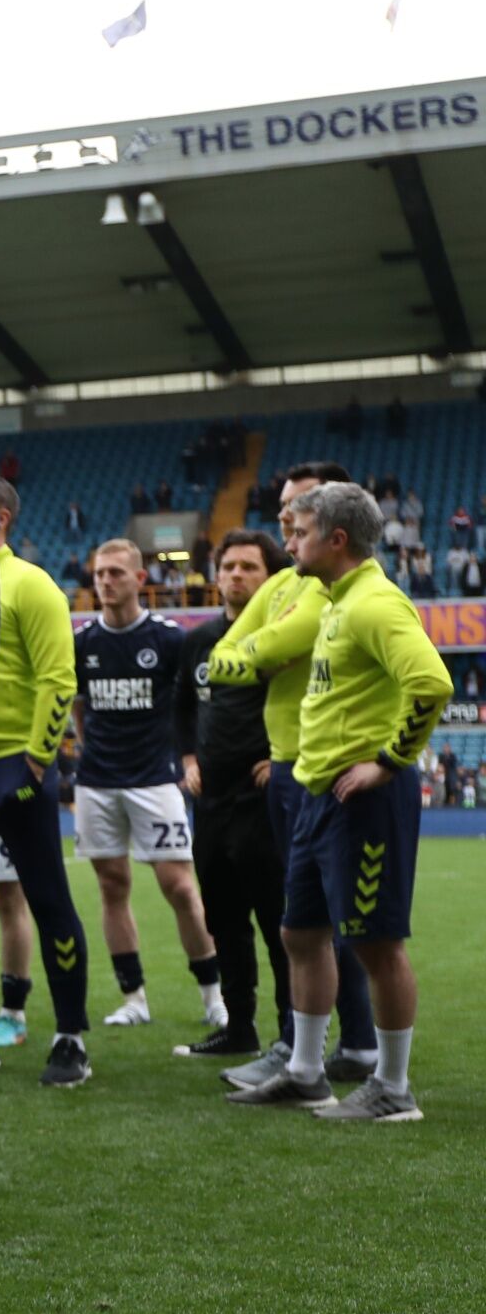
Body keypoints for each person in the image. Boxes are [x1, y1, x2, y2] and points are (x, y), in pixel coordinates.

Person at [230, 483, 448, 1119]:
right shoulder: (334, 603)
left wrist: (388, 762)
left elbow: (431, 682)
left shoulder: (375, 603)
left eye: (298, 533)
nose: (288, 543)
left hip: (363, 804)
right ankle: (305, 1071)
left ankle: (394, 1090)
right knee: (301, 932)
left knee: (377, 944)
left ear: (336, 539)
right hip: (317, 796)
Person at [207, 464, 381, 1091]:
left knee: (333, 919)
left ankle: (344, 1045)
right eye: (281, 505)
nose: (283, 517)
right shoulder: (285, 582)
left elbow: (266, 649)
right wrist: (256, 656)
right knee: (305, 917)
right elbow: (226, 654)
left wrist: (256, 655)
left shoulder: (329, 592)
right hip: (288, 761)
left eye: (296, 508)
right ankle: (321, 1046)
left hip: (323, 765)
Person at [0, 472, 94, 1082]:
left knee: (47, 900)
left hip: (16, 768)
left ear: (1, 517)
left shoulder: (31, 584)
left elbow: (58, 680)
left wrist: (36, 764)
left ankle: (70, 1038)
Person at [74, 540, 223, 1036]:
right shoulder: (83, 641)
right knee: (112, 886)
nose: (105, 581)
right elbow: (79, 706)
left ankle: (213, 996)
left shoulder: (168, 639)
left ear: (141, 580)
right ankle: (133, 997)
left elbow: (191, 704)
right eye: (99, 574)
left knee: (179, 886)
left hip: (155, 778)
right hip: (96, 780)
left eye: (116, 572)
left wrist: (188, 757)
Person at [172, 530, 292, 1060]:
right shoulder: (199, 641)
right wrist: (189, 759)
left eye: (250, 567)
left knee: (279, 922)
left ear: (270, 577)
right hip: (212, 804)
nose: (237, 575)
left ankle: (295, 1034)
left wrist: (284, 755)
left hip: (263, 803)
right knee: (224, 921)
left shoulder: (284, 636)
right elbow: (180, 709)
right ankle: (239, 1025)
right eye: (229, 566)